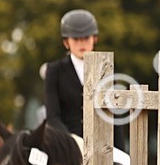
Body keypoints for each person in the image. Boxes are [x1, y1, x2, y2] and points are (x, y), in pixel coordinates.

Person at [43, 9, 127, 152]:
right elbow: (53, 117)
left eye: (86, 38)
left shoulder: (106, 69)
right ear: (66, 42)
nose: (81, 43)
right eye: (76, 39)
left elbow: (114, 117)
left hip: (102, 145)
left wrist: (121, 153)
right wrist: (73, 142)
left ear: (95, 39)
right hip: (66, 146)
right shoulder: (54, 71)